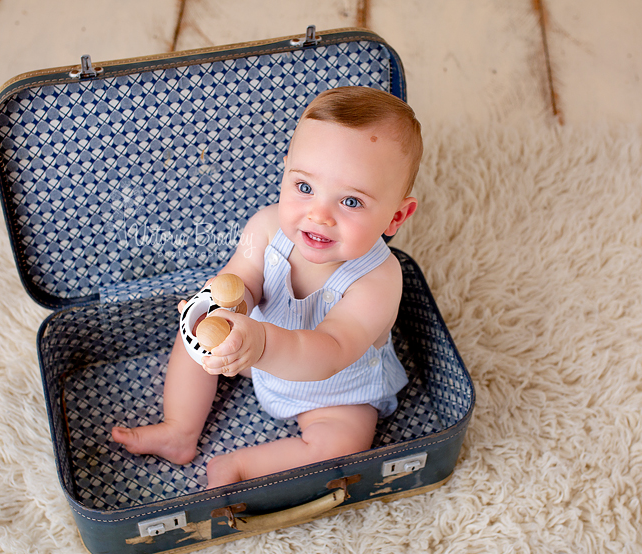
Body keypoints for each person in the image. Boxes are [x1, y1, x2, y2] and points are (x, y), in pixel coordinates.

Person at [112, 86, 423, 488]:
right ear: (286, 171)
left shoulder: (378, 279)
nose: (319, 215)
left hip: (335, 392)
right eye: (305, 188)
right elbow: (242, 282)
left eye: (351, 202)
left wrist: (259, 344)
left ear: (396, 216)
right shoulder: (266, 227)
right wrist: (222, 306)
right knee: (196, 334)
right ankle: (179, 429)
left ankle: (242, 469)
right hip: (254, 358)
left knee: (345, 445)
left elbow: (331, 352)